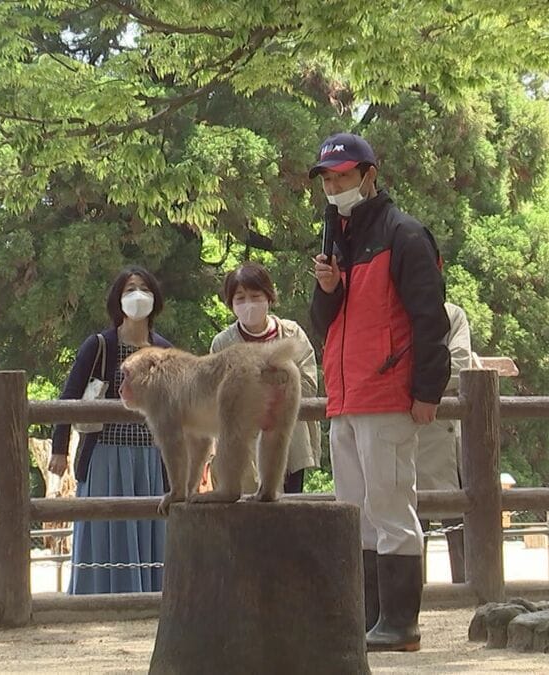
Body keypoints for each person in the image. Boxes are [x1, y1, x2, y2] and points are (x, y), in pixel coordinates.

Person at [310, 132, 451, 652]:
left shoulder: (407, 235)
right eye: (327, 178)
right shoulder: (334, 239)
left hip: (388, 393)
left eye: (343, 176)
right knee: (355, 511)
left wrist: (427, 390)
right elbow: (323, 322)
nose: (334, 186)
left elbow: (430, 319)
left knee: (391, 509)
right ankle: (370, 621)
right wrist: (328, 288)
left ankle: (401, 624)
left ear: (370, 174)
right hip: (344, 397)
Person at [49, 266, 172, 594]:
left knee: (149, 528)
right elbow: (69, 396)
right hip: (105, 454)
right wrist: (59, 448)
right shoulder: (99, 345)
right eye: (130, 289)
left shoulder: (164, 349)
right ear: (118, 299)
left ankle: (149, 595)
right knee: (105, 525)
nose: (138, 295)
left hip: (151, 458)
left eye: (144, 288)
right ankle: (97, 595)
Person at [209, 261, 321, 495]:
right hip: (242, 446)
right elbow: (217, 396)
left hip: (290, 440)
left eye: (255, 295)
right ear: (230, 304)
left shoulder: (292, 334)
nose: (248, 303)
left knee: (290, 511)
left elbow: (308, 386)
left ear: (269, 297)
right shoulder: (222, 343)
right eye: (240, 298)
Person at [415, 302, 472, 584]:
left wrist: (417, 374)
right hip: (409, 434)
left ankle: (466, 591)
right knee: (411, 524)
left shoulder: (452, 315)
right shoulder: (390, 308)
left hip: (444, 430)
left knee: (458, 521)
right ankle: (410, 595)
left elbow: (461, 365)